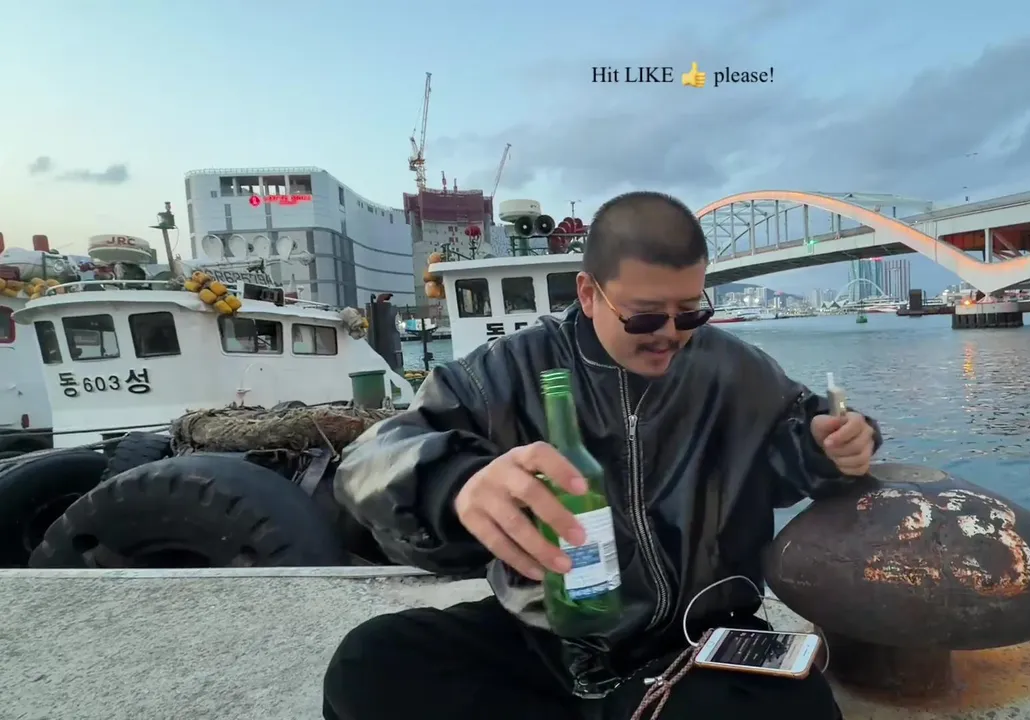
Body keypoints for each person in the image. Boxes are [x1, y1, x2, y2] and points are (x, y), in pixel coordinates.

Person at [322, 191, 883, 720]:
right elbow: (369, 460)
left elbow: (796, 437)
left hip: (699, 639)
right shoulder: (502, 372)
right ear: (589, 293)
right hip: (547, 639)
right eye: (645, 316)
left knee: (794, 705)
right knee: (369, 662)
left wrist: (832, 448)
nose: (671, 334)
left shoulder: (738, 370)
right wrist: (456, 484)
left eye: (690, 312)